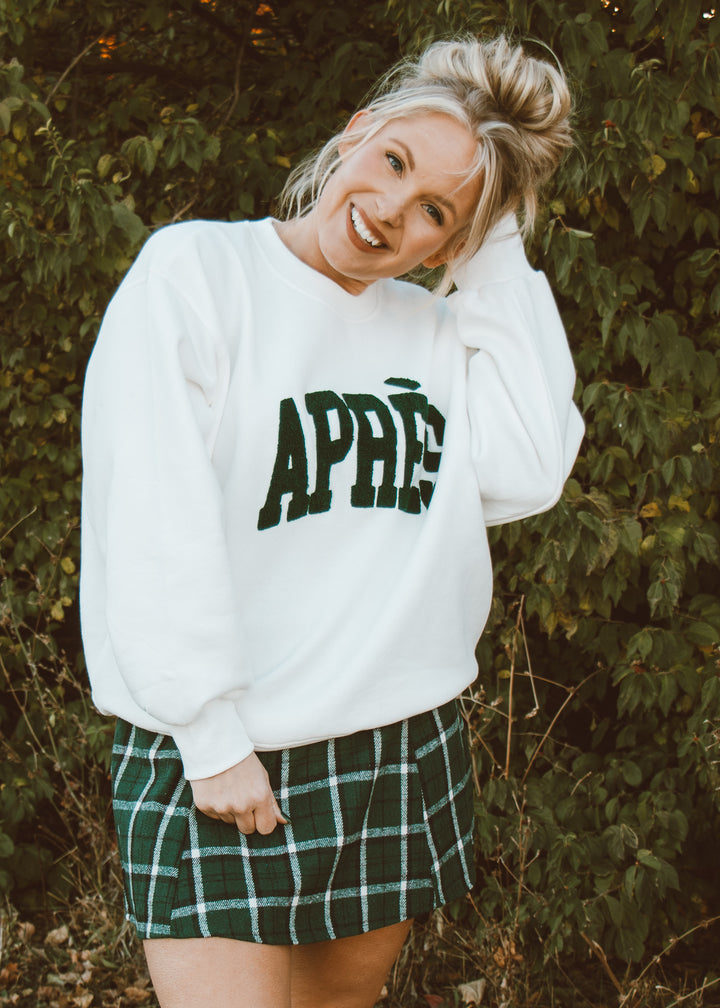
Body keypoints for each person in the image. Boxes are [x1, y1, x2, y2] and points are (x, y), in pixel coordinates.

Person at [80, 33, 584, 1008]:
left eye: (436, 211)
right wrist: (209, 734)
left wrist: (495, 239)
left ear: (452, 244)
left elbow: (529, 463)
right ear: (354, 134)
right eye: (393, 162)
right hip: (217, 747)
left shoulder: (436, 332)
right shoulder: (196, 274)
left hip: (392, 741)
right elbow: (147, 510)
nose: (392, 209)